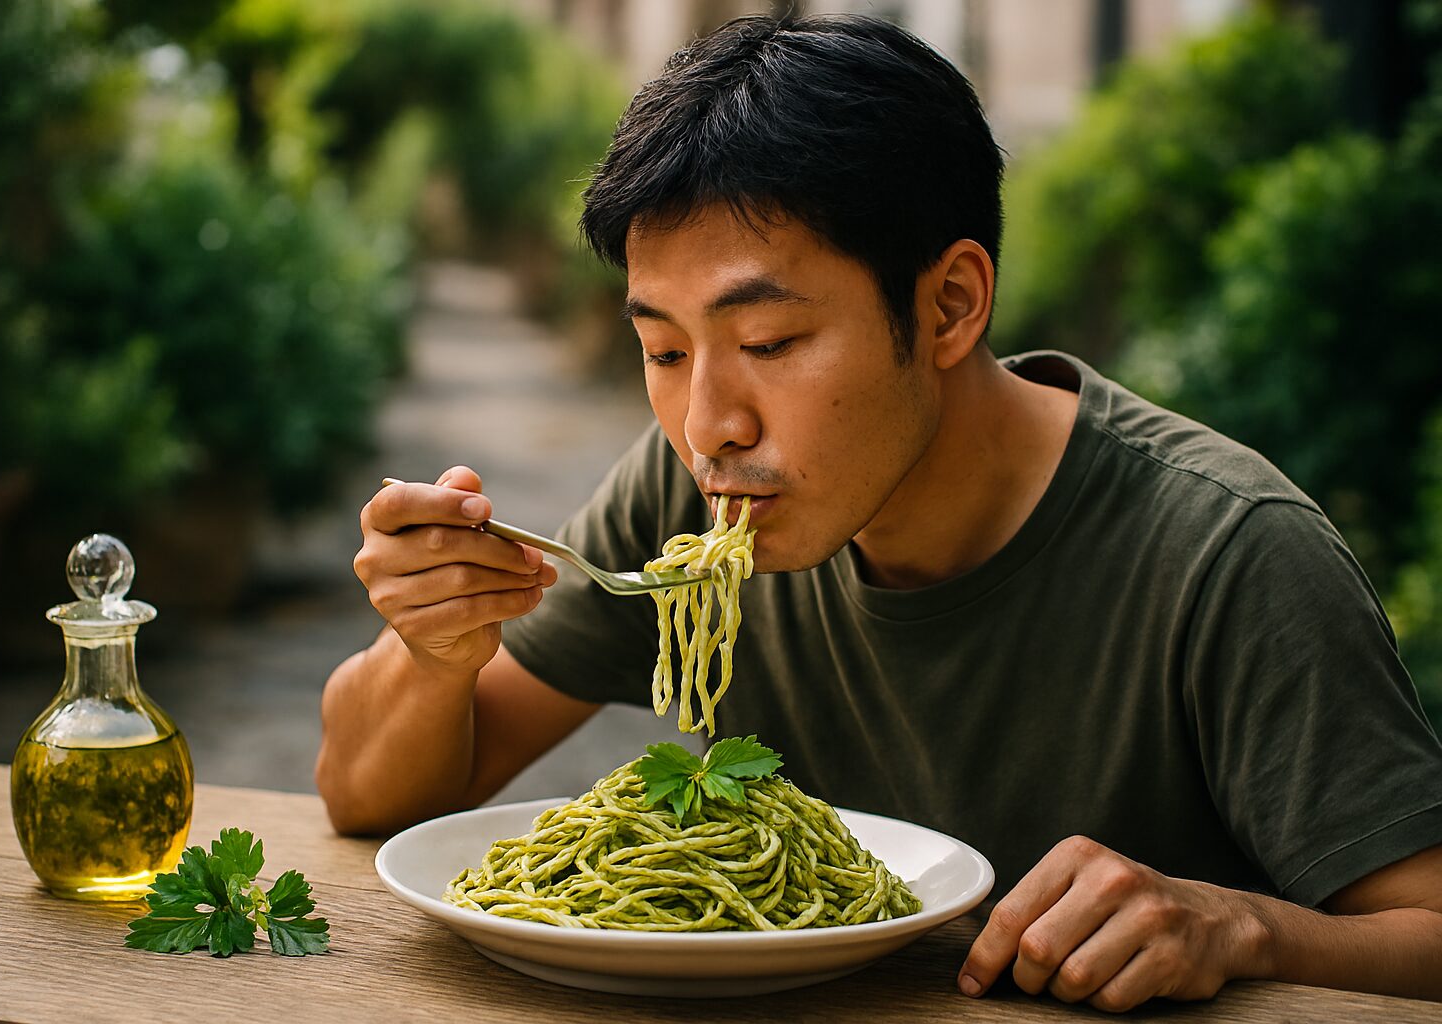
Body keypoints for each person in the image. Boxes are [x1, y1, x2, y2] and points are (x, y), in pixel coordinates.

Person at [316, 13, 1442, 1011]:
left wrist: (1244, 927)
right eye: (662, 348)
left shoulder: (1228, 556)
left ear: (949, 304)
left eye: (767, 344)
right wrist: (434, 650)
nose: (708, 420)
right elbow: (369, 798)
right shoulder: (696, 503)